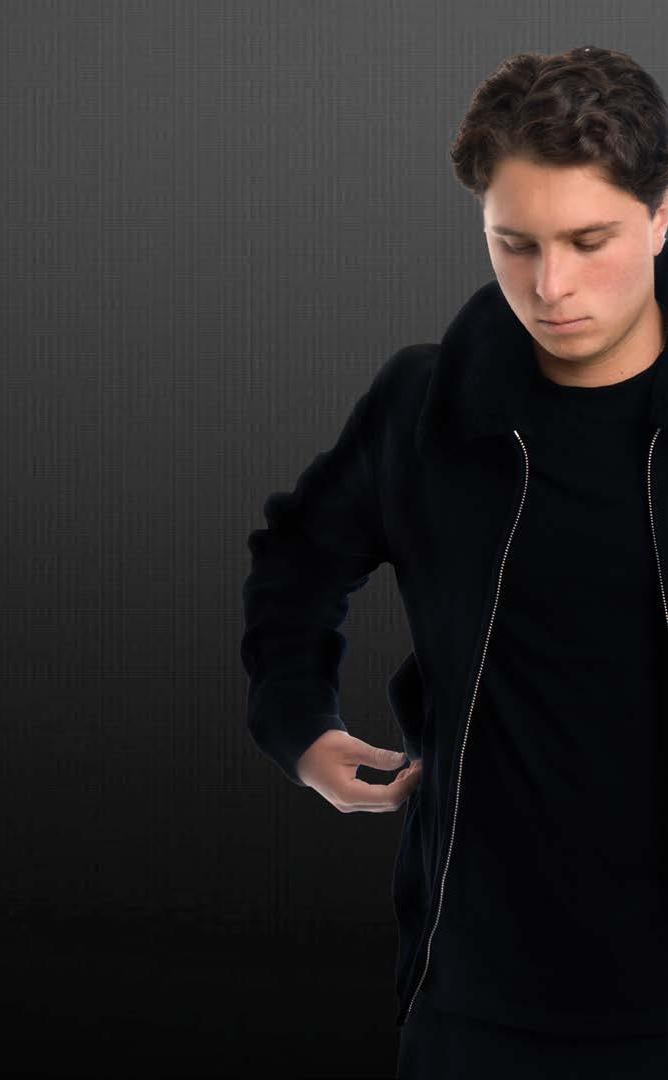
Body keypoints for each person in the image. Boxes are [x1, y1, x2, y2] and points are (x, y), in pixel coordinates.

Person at [239, 45, 668, 1077]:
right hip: (475, 993)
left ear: (661, 217)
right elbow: (296, 558)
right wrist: (299, 726)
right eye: (513, 244)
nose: (549, 285)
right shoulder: (424, 409)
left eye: (589, 240)